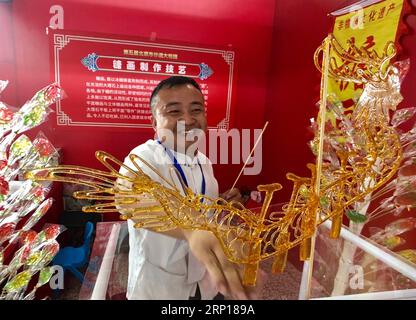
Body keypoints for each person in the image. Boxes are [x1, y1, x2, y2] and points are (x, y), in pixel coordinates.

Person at [118, 76, 260, 300]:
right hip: (160, 287)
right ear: (154, 122)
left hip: (206, 281)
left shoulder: (204, 161)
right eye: (174, 112)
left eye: (196, 110)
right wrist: (189, 230)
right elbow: (129, 200)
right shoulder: (142, 157)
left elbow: (202, 207)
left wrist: (222, 203)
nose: (188, 119)